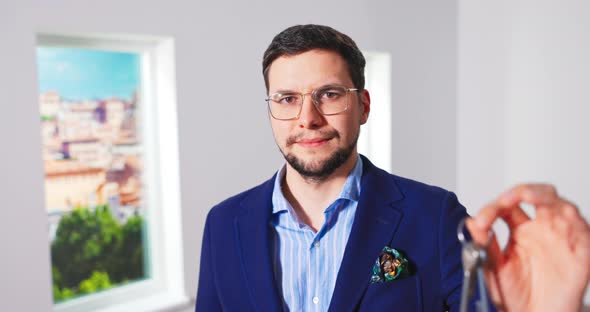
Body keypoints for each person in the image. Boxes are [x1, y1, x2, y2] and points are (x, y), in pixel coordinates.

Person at [196, 24, 590, 311]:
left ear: (363, 106)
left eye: (329, 94)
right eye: (286, 99)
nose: (307, 118)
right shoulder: (223, 224)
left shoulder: (435, 216)